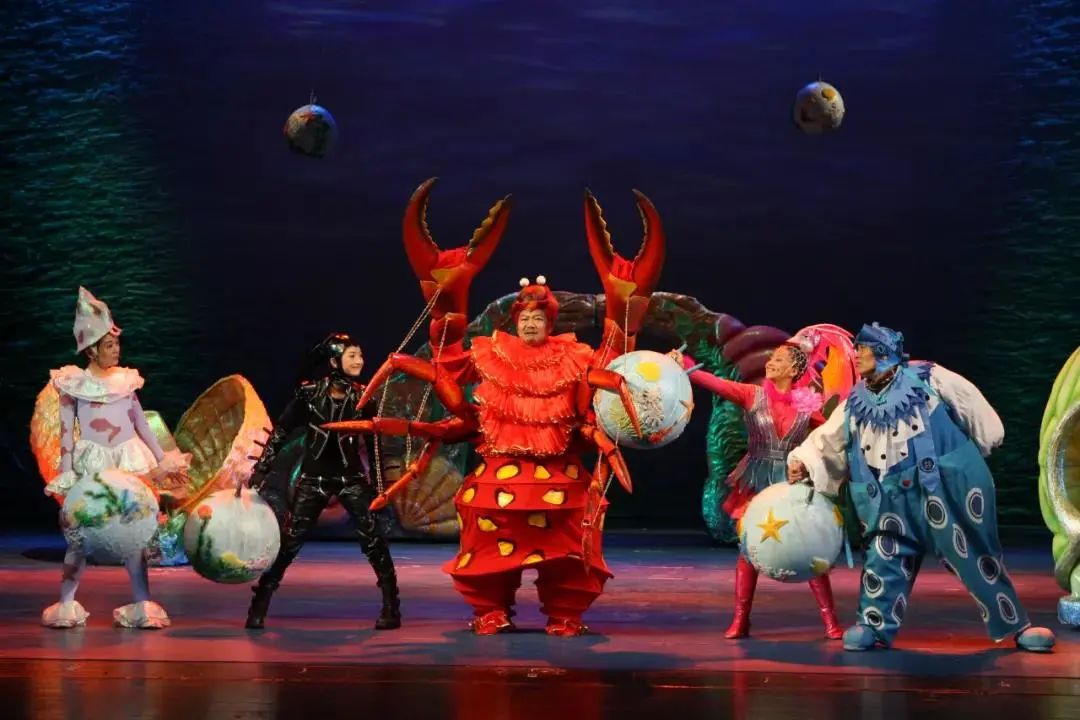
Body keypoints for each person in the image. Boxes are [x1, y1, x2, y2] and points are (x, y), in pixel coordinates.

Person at [787, 322, 1056, 652]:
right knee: (884, 556)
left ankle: (1015, 625)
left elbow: (970, 403)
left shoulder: (928, 378)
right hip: (887, 496)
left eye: (863, 349)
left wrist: (985, 440)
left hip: (940, 488)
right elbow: (828, 439)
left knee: (973, 554)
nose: (856, 355)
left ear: (883, 352)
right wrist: (804, 460)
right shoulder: (855, 402)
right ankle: (873, 624)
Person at [671, 324, 857, 639]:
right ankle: (741, 619)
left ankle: (830, 621)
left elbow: (829, 438)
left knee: (809, 546)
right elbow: (716, 383)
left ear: (794, 369)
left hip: (792, 482)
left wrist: (812, 466)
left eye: (779, 360)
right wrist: (685, 366)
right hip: (755, 480)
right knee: (748, 550)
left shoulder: (807, 405)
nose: (770, 363)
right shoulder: (753, 395)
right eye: (772, 358)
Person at [42, 286, 189, 629]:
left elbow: (140, 423)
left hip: (126, 460)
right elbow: (67, 433)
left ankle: (142, 603)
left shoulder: (125, 381)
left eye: (117, 344)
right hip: (93, 463)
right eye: (109, 345)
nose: (116, 350)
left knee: (134, 535)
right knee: (81, 535)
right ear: (92, 350)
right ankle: (66, 603)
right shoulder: (73, 383)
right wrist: (67, 473)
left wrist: (162, 459)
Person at [244, 333, 401, 631]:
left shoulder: (364, 397)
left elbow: (375, 446)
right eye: (352, 355)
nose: (359, 361)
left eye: (360, 355)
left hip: (351, 479)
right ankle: (259, 604)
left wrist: (381, 488)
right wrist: (263, 468)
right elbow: (281, 431)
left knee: (374, 541)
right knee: (290, 542)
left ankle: (391, 607)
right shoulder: (310, 395)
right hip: (313, 479)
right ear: (334, 361)